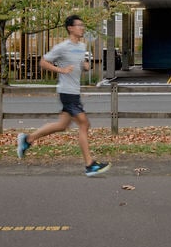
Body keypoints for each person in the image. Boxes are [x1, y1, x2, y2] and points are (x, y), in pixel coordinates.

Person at [16, 15, 110, 177]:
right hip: (67, 92)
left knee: (62, 125)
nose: (82, 28)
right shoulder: (62, 47)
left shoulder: (82, 46)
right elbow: (43, 62)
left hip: (74, 91)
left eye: (83, 25)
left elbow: (80, 65)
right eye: (79, 25)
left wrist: (85, 66)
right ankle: (89, 165)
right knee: (84, 124)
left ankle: (28, 139)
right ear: (70, 28)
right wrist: (61, 70)